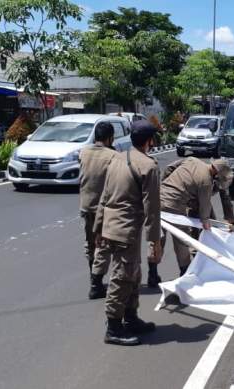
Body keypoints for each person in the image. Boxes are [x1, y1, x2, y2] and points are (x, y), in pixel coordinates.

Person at [93, 120, 162, 346]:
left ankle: (131, 318)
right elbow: (152, 208)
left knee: (133, 274)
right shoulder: (149, 166)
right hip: (126, 229)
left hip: (111, 226)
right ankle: (113, 327)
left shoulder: (116, 158)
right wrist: (155, 242)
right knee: (122, 277)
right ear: (149, 141)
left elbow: (104, 196)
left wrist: (98, 228)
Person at [148, 157, 234, 287]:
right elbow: (205, 206)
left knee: (157, 237)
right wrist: (206, 223)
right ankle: (184, 275)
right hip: (175, 205)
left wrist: (166, 186)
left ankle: (152, 274)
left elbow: (168, 169)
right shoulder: (206, 181)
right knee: (182, 240)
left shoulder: (191, 160)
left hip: (157, 198)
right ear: (216, 174)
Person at [79, 122, 118, 300]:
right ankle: (96, 284)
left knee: (91, 244)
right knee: (104, 246)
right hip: (104, 209)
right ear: (110, 137)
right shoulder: (113, 156)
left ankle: (93, 280)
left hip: (86, 206)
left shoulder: (83, 152)